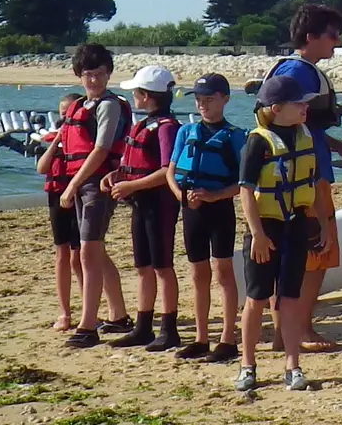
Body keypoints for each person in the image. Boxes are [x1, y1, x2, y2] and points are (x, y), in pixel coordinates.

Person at [264, 4, 342, 352]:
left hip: (295, 176)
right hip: (305, 179)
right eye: (332, 34)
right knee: (318, 250)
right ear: (312, 37)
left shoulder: (293, 70)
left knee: (296, 252)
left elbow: (300, 123)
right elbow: (289, 124)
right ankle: (299, 330)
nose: (338, 40)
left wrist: (336, 145)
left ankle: (284, 331)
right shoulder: (299, 73)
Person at [236, 73, 325, 393]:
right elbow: (245, 192)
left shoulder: (305, 136)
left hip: (295, 227)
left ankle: (293, 366)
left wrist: (317, 223)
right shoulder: (257, 141)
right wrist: (257, 234)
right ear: (276, 108)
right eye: (299, 103)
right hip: (266, 229)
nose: (305, 107)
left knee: (290, 299)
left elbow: (311, 185)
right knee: (256, 299)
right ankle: (248, 365)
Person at [105, 65, 185, 351]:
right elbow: (136, 165)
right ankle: (143, 326)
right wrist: (117, 177)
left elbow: (167, 171)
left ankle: (169, 328)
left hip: (159, 204)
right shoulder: (145, 124)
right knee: (143, 266)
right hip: (141, 203)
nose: (135, 97)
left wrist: (131, 186)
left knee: (163, 266)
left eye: (137, 92)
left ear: (146, 95)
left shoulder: (165, 128)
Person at [170, 72, 246, 363]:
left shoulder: (234, 136)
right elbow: (171, 171)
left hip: (219, 208)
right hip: (191, 209)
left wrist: (215, 196)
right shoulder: (185, 132)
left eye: (209, 99)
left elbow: (244, 183)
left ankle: (228, 339)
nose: (203, 104)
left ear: (225, 99)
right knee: (197, 273)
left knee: (223, 271)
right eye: (200, 100)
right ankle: (201, 338)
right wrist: (182, 195)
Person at [60, 44, 132, 348]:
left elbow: (101, 149)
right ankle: (118, 315)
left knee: (89, 252)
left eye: (99, 74)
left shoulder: (109, 105)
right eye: (88, 74)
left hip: (96, 185)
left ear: (108, 74)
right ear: (80, 76)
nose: (93, 80)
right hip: (82, 183)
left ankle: (88, 326)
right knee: (95, 252)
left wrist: (73, 184)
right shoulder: (80, 106)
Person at [36, 92, 84, 332]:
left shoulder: (84, 138)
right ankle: (64, 312)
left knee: (80, 256)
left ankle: (88, 309)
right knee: (62, 254)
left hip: (79, 195)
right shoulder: (55, 140)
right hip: (56, 194)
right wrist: (57, 142)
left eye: (70, 114)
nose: (65, 118)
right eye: (62, 114)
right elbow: (41, 167)